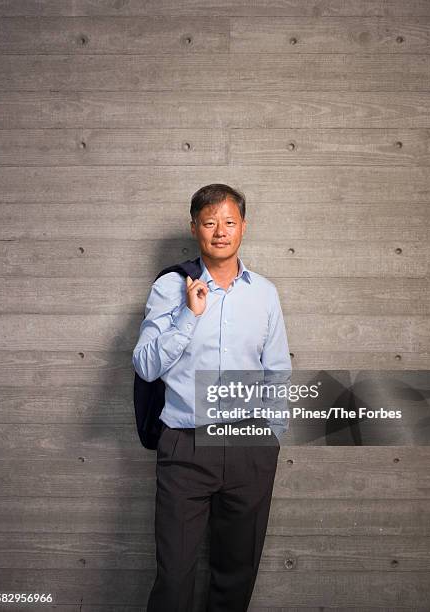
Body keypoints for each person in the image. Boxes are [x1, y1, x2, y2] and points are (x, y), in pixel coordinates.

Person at [132, 183, 292, 612]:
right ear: (194, 228)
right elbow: (145, 365)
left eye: (229, 222)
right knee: (174, 576)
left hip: (249, 446)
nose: (220, 231)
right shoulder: (171, 287)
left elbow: (276, 370)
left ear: (243, 227)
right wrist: (188, 314)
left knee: (236, 574)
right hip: (185, 443)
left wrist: (270, 437)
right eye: (209, 222)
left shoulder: (265, 294)